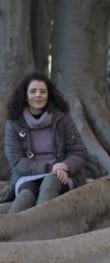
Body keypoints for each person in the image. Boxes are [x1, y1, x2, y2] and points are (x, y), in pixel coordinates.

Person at [4, 72, 87, 213]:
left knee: (50, 183)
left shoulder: (62, 117)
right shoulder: (14, 122)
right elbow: (16, 161)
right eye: (33, 91)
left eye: (43, 91)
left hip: (61, 174)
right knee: (25, 197)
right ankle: (8, 231)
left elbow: (78, 151)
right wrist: (50, 168)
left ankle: (41, 230)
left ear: (49, 94)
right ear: (25, 95)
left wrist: (65, 166)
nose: (38, 95)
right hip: (27, 176)